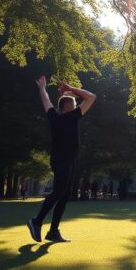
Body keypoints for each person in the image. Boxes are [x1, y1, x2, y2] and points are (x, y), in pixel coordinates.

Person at [27, 76, 96, 243]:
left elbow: (46, 100)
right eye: (73, 103)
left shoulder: (61, 117)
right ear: (66, 106)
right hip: (62, 160)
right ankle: (36, 221)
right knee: (59, 192)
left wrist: (43, 88)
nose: (76, 105)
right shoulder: (70, 116)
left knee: (64, 196)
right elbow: (91, 97)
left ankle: (53, 231)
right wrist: (70, 89)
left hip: (69, 159)